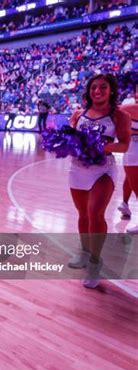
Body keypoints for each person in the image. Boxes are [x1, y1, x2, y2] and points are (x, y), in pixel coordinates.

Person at [67, 74, 131, 288]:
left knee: (95, 213)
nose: (97, 91)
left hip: (103, 170)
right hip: (78, 169)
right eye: (94, 87)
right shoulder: (79, 113)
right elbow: (69, 138)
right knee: (83, 214)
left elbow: (124, 145)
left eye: (103, 87)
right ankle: (84, 253)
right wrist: (66, 143)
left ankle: (95, 262)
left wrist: (100, 147)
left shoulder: (119, 116)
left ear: (111, 90)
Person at [119, 85, 138, 233]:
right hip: (132, 149)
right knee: (131, 179)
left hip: (133, 149)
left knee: (134, 181)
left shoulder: (127, 107)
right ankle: (125, 204)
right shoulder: (128, 107)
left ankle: (125, 204)